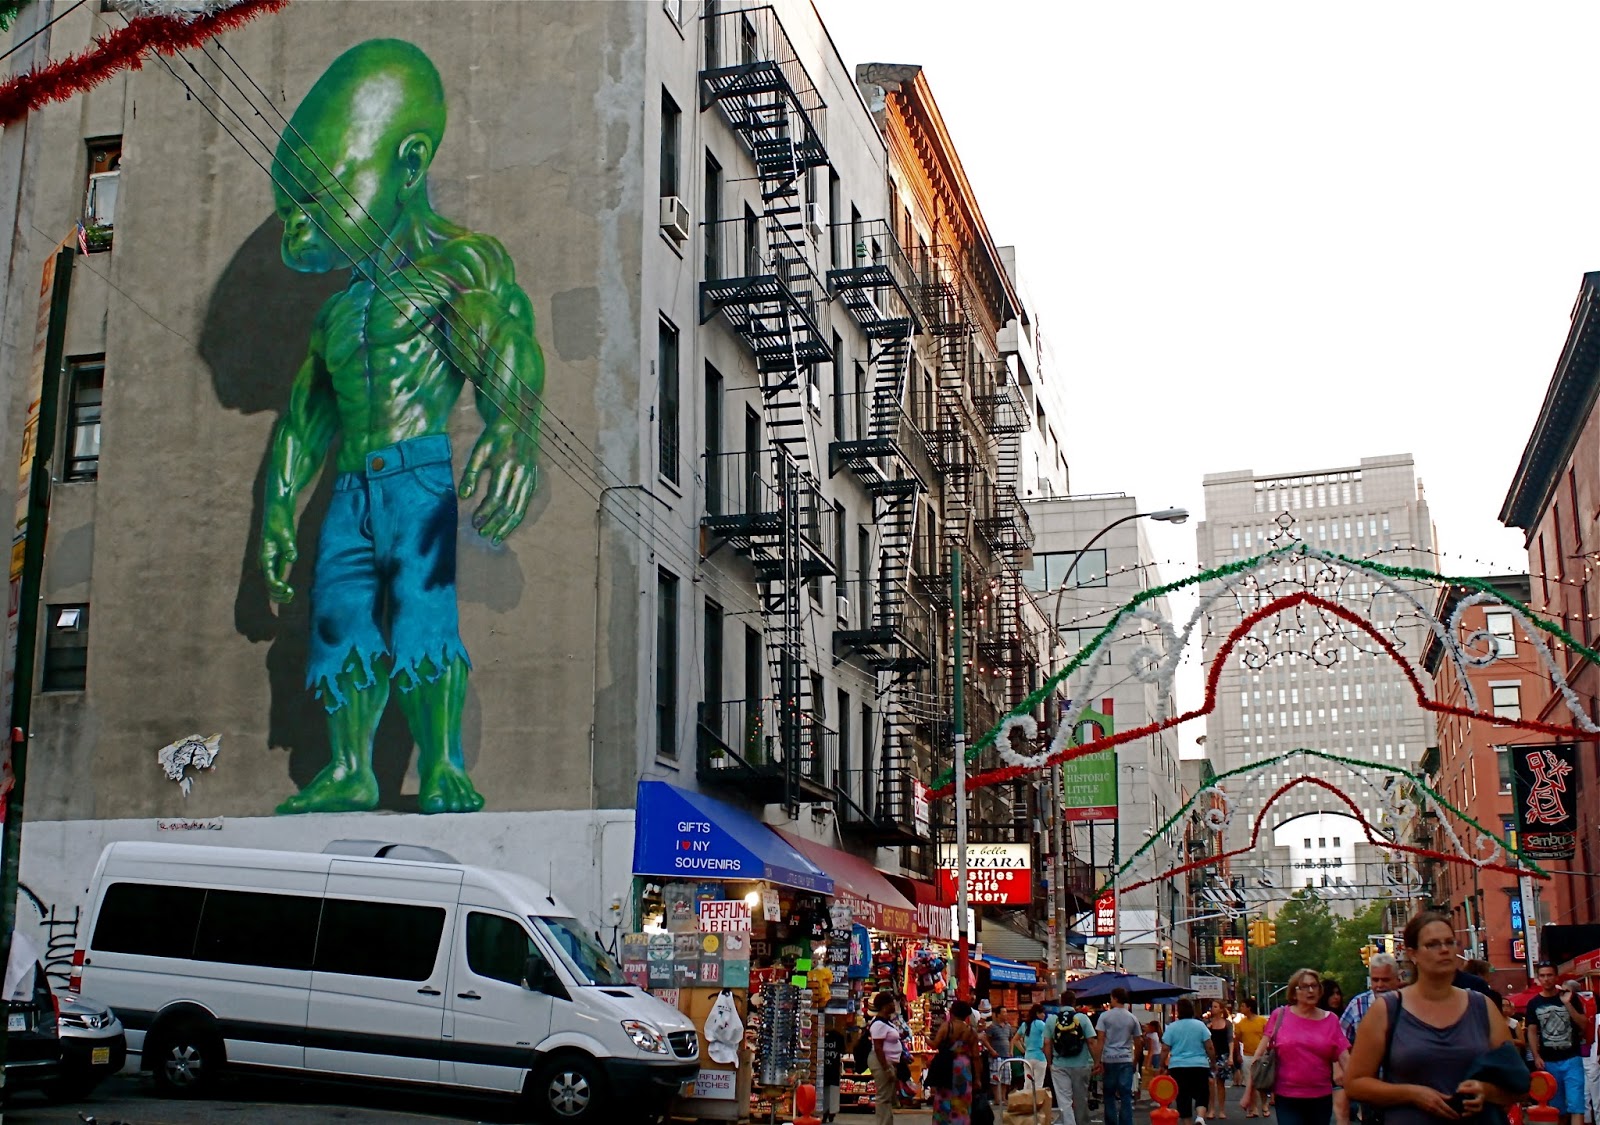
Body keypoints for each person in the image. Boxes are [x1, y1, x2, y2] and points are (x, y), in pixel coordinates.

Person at [263, 39, 546, 815]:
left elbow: (505, 340)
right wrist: (278, 510)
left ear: (410, 163)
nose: (299, 229)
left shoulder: (461, 263)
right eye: (291, 210)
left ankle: (445, 764)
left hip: (418, 477)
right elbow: (301, 421)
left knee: (424, 618)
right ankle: (351, 767)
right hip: (348, 489)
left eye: (318, 196)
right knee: (339, 620)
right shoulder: (333, 313)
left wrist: (513, 425)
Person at [1345, 910, 1523, 1125]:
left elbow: (1518, 1084)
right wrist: (1411, 1094)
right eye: (1433, 944)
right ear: (1413, 953)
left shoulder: (1482, 1006)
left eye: (1450, 942)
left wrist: (1485, 1091)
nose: (1444, 950)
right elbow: (1355, 1083)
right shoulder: (1388, 1009)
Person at [1242, 968, 1351, 1125]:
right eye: (1304, 987)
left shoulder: (1331, 1020)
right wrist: (1248, 1093)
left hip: (1320, 1097)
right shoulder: (1279, 1015)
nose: (1311, 990)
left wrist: (1358, 1087)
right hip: (1287, 1097)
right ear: (1294, 993)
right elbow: (1259, 1055)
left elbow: (1345, 1058)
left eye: (1314, 986)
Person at [1340, 952, 1404, 1125]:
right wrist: (1347, 1068)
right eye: (1375, 980)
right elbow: (1339, 1040)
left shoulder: (1410, 1003)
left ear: (1397, 979)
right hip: (1371, 1089)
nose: (1380, 985)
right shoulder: (1358, 1004)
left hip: (1404, 1088)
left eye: (1385, 980)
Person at [1527, 962, 1587, 1125]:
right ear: (1538, 978)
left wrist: (1567, 1004)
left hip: (1572, 1058)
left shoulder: (1570, 997)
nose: (1546, 979)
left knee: (1577, 1106)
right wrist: (1536, 1055)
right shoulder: (1534, 1003)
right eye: (1543, 976)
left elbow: (1583, 1023)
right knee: (1556, 1108)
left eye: (1550, 975)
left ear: (1556, 977)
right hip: (1549, 1061)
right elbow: (1531, 1031)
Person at [1163, 997, 1219, 1125]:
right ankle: (1200, 1117)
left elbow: (1165, 1048)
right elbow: (1209, 1046)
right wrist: (1213, 1062)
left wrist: (1162, 1065)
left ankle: (1187, 1122)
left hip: (1177, 1065)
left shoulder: (1172, 1027)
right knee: (1202, 1092)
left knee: (1182, 1096)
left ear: (1179, 1011)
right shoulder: (1200, 1025)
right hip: (1199, 1064)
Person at [1048, 990, 1098, 1125]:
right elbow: (1092, 1041)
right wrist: (1097, 1061)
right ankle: (1081, 1122)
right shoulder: (1082, 1018)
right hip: (1081, 1065)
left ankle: (1069, 1123)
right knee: (1080, 1098)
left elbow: (1046, 1043)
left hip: (1059, 1064)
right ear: (1074, 1002)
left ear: (1061, 1002)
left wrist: (1049, 1063)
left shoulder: (1052, 1019)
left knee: (1064, 1100)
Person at [1097, 986, 1146, 1125]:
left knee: (1109, 1095)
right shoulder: (1132, 1018)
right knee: (1125, 1095)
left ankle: (1112, 1122)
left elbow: (1100, 1039)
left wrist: (1097, 1060)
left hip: (1109, 1059)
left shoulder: (1105, 1016)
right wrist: (1135, 1061)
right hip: (1125, 1059)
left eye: (1111, 997)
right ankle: (1126, 1122)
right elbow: (1139, 1041)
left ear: (1115, 998)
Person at [931, 999, 981, 1125]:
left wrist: (925, 1038)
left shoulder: (946, 1026)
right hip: (963, 1066)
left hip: (946, 1066)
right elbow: (976, 1057)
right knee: (962, 1099)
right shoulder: (971, 1031)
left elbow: (934, 1045)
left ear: (952, 1013)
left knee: (943, 1098)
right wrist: (977, 1079)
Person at [870, 991, 904, 1125]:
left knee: (887, 1097)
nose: (894, 1005)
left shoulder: (886, 1022)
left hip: (888, 1061)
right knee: (883, 1097)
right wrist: (886, 1068)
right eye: (891, 1003)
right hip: (882, 1062)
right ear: (885, 1005)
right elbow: (878, 1048)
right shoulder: (879, 1024)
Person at [1236, 999, 1269, 1118]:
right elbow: (1238, 1039)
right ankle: (1253, 1108)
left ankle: (1264, 1105)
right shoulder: (1240, 1023)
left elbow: (1268, 1036)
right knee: (1250, 1083)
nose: (1241, 1008)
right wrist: (1238, 1055)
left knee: (1262, 1083)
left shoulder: (1262, 1021)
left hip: (1262, 1055)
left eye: (1243, 1006)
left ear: (1249, 1008)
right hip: (1247, 1055)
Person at [1018, 1003, 1051, 1101]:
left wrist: (1024, 1050)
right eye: (1042, 1013)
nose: (1044, 1015)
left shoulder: (1025, 1025)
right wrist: (1045, 1048)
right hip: (1039, 1058)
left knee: (1027, 1084)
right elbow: (1048, 1038)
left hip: (1028, 1057)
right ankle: (1036, 1108)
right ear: (1037, 1013)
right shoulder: (1040, 1023)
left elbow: (1015, 1039)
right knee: (1038, 1085)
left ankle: (1026, 1106)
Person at [1208, 1000, 1236, 1118]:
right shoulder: (1208, 1023)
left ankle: (1222, 1109)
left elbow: (1230, 1040)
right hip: (1210, 1055)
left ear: (1220, 1009)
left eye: (1215, 1007)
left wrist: (1230, 1056)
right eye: (1212, 1007)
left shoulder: (1227, 1023)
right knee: (1210, 1082)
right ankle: (1211, 1109)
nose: (1212, 1009)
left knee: (1220, 1083)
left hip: (1223, 1054)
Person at [985, 1005, 1015, 1102]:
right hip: (996, 1056)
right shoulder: (992, 1027)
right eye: (1003, 1012)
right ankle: (997, 1098)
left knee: (1006, 1078)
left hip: (1006, 1056)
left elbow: (1011, 1040)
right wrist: (992, 1051)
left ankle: (1003, 1097)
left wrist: (1011, 1051)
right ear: (997, 1015)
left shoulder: (1008, 1027)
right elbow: (986, 1039)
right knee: (995, 1078)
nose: (1005, 1014)